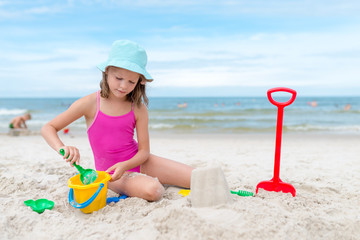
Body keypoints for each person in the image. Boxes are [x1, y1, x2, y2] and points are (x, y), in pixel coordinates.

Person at [41, 40, 194, 201]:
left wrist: (126, 165)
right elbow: (48, 127)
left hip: (139, 161)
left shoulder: (138, 108)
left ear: (139, 81)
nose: (123, 86)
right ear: (107, 71)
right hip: (111, 172)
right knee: (154, 190)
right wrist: (62, 148)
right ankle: (143, 182)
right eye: (119, 78)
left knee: (198, 177)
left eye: (131, 82)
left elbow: (144, 152)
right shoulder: (90, 103)